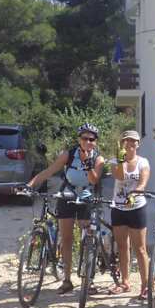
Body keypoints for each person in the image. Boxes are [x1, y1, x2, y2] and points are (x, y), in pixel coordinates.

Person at [25, 123, 105, 294]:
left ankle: (89, 279)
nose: (88, 142)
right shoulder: (68, 155)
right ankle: (67, 280)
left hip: (87, 196)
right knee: (66, 239)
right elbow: (49, 171)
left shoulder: (98, 159)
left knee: (88, 238)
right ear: (79, 139)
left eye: (91, 139)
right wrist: (29, 185)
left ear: (96, 142)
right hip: (67, 195)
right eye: (85, 138)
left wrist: (87, 164)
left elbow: (94, 180)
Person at [109, 130, 150, 300]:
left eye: (133, 141)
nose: (130, 144)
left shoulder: (143, 161)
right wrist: (120, 160)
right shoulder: (115, 161)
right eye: (127, 141)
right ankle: (125, 282)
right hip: (118, 207)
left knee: (140, 248)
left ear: (138, 144)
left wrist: (136, 192)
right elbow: (119, 176)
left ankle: (146, 285)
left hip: (137, 207)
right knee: (122, 246)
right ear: (122, 143)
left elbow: (143, 182)